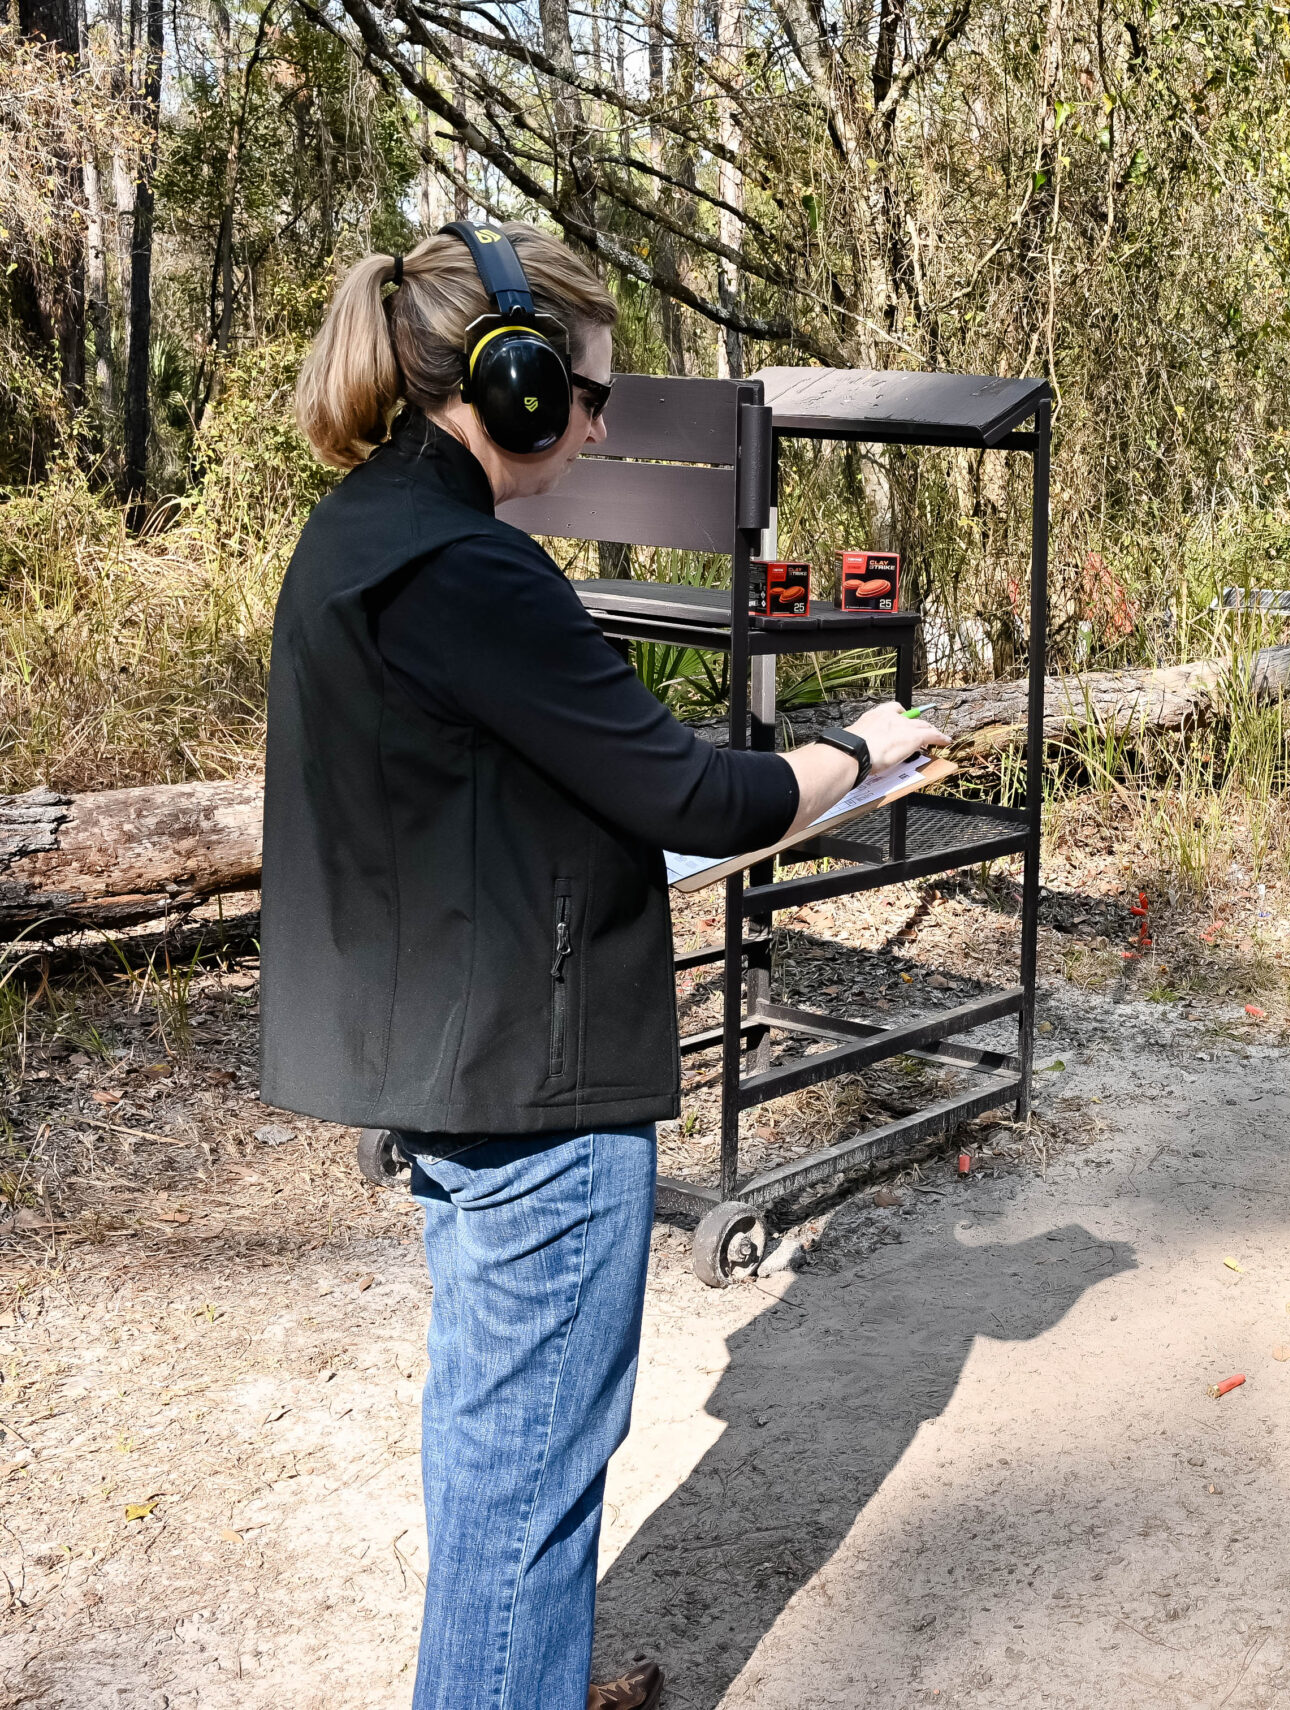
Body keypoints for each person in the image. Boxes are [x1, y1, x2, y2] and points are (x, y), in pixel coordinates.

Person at [264, 222, 949, 1710]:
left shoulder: (366, 532)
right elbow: (711, 801)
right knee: (525, 1497)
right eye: (588, 395)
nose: (597, 423)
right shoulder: (470, 575)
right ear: (507, 388)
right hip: (537, 1100)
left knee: (489, 1463)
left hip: (456, 1064)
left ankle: (526, 1675)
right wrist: (861, 748)